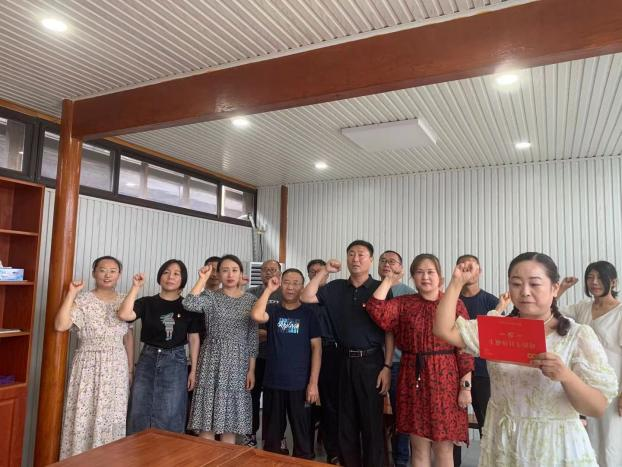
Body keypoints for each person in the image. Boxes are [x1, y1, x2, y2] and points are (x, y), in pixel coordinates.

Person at [434, 252, 619, 467]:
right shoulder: (497, 330)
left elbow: (597, 407)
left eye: (535, 284)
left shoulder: (577, 335)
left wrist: (566, 376)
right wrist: (457, 283)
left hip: (554, 447)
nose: (525, 292)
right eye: (516, 284)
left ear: (555, 288)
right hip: (504, 445)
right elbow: (443, 330)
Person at [367, 253, 474, 467]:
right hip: (412, 378)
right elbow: (375, 308)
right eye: (419, 272)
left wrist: (466, 387)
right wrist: (389, 279)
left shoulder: (454, 303)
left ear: (440, 277)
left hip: (446, 380)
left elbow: (465, 347)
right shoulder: (404, 303)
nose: (425, 277)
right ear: (413, 278)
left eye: (430, 272)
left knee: (443, 448)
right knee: (418, 447)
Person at [301, 240, 394, 467]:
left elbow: (390, 331)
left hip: (371, 362)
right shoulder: (335, 288)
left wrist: (387, 366)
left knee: (372, 422)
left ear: (371, 260)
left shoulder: (380, 288)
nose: (356, 259)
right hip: (342, 360)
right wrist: (324, 270)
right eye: (351, 254)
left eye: (361, 254)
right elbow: (306, 296)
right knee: (345, 420)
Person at [54, 256, 134, 459]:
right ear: (94, 273)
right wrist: (72, 293)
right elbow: (60, 325)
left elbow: (128, 338)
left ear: (119, 275)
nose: (107, 275)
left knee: (112, 415)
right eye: (102, 270)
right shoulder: (83, 300)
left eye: (113, 271)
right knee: (83, 414)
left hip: (117, 365)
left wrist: (130, 369)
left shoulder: (124, 299)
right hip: (87, 363)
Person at [119, 259, 202, 434]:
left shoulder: (188, 306)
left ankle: (168, 450)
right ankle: (137, 449)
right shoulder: (147, 302)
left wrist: (194, 370)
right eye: (166, 272)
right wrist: (135, 287)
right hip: (147, 358)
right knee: (139, 408)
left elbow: (194, 338)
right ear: (159, 277)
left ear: (182, 280)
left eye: (176, 274)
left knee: (171, 411)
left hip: (175, 360)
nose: (170, 276)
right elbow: (125, 315)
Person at [183, 255, 258, 444]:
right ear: (218, 274)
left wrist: (251, 369)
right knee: (206, 422)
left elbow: (252, 337)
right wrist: (202, 278)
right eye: (225, 270)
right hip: (212, 358)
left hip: (238, 362)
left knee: (229, 425)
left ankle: (226, 458)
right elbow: (189, 303)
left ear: (241, 274)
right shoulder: (210, 296)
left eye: (234, 270)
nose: (230, 275)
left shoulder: (251, 300)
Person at [251, 269, 321, 459]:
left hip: (300, 384)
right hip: (273, 383)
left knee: (303, 440)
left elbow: (317, 349)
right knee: (272, 441)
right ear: (281, 284)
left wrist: (313, 383)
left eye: (296, 283)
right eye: (287, 282)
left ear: (302, 286)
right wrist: (268, 290)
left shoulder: (309, 314)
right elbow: (256, 315)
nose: (291, 287)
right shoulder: (273, 311)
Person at [558, 261, 622, 467]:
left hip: (613, 387)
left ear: (613, 282)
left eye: (600, 278)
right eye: (590, 277)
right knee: (585, 440)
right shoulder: (582, 308)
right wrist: (561, 288)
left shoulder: (619, 312)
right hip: (583, 385)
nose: (594, 282)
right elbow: (552, 313)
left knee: (610, 441)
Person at [377, 250, 415, 467]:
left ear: (401, 267)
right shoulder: (372, 289)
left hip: (400, 364)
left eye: (392, 261)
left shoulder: (408, 294)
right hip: (372, 362)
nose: (387, 264)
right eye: (383, 260)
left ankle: (401, 460)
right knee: (373, 414)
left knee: (402, 414)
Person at [455, 255, 499, 436]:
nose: (467, 271)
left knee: (487, 425)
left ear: (479, 271)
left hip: (483, 372)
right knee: (454, 425)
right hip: (455, 370)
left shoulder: (492, 302)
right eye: (463, 267)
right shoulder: (451, 301)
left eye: (471, 267)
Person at [246, 259, 283, 448]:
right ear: (260, 273)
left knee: (274, 398)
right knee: (251, 396)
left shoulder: (285, 293)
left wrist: (268, 334)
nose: (269, 272)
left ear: (279, 273)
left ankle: (275, 436)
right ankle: (250, 433)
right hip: (255, 355)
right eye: (265, 270)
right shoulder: (251, 293)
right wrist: (259, 333)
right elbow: (246, 322)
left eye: (273, 269)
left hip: (278, 356)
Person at [307, 258, 340, 464]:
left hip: (331, 353)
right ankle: (305, 449)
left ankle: (333, 451)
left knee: (330, 404)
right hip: (306, 354)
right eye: (313, 271)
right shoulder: (304, 296)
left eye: (321, 271)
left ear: (327, 274)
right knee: (307, 403)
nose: (317, 274)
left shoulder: (335, 294)